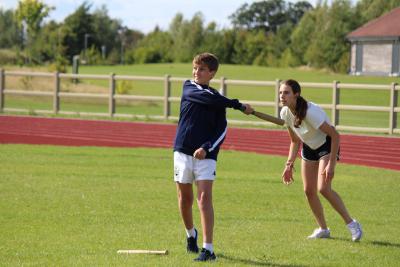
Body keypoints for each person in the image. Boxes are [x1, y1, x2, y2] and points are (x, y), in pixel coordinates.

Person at [173, 52, 253, 261]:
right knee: (184, 199)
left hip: (206, 156)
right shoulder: (189, 87)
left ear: (212, 73)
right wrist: (238, 105)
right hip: (182, 151)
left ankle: (208, 249)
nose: (196, 72)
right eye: (195, 68)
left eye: (201, 69)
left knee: (204, 198)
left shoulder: (218, 100)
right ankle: (191, 234)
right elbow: (205, 97)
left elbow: (221, 129)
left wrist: (207, 148)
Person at [279, 79, 362, 242]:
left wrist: (331, 164)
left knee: (323, 188)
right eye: (281, 92)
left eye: (286, 92)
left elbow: (335, 135)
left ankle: (352, 224)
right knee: (308, 191)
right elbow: (295, 141)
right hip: (309, 148)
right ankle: (323, 229)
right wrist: (289, 165)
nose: (282, 96)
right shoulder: (285, 113)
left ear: (296, 94)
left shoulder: (311, 112)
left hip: (327, 144)